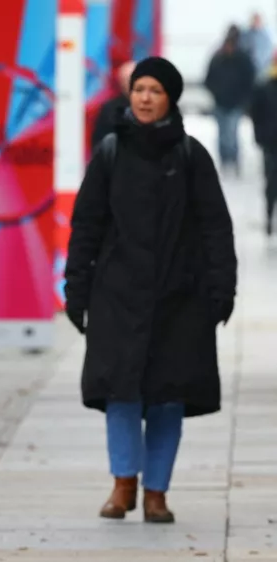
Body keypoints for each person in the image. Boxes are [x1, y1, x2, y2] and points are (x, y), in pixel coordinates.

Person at [64, 57, 238, 524]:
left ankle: (157, 492)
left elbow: (215, 229)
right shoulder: (110, 153)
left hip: (180, 299)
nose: (144, 97)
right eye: (138, 88)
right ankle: (123, 485)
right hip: (117, 296)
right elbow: (87, 227)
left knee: (167, 397)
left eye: (154, 90)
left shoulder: (191, 156)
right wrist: (75, 288)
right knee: (121, 394)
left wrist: (223, 290)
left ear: (170, 98)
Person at [205, 26, 257, 176]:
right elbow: (208, 79)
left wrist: (243, 99)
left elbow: (249, 81)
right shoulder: (218, 58)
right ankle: (226, 161)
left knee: (232, 133)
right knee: (223, 134)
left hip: (235, 103)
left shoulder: (243, 59)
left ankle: (233, 161)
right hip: (222, 102)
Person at [249, 52, 277, 235]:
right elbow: (255, 113)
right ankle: (269, 217)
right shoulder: (264, 87)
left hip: (269, 142)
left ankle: (269, 217)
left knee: (271, 183)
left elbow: (255, 113)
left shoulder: (263, 86)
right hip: (271, 142)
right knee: (271, 183)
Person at [90, 60, 137, 148]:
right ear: (121, 83)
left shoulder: (156, 106)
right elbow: (99, 142)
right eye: (126, 80)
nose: (131, 83)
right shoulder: (109, 109)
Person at [241, 12, 273, 78]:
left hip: (262, 70)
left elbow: (268, 53)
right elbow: (242, 50)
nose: (256, 22)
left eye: (258, 20)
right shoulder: (245, 35)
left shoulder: (266, 37)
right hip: (247, 69)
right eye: (254, 20)